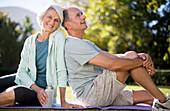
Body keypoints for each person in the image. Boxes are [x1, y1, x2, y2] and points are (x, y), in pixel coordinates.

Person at [62, 6, 170, 110]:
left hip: (100, 93)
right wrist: (140, 61)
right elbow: (113, 64)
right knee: (131, 56)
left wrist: (141, 56)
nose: (83, 17)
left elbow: (113, 57)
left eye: (82, 14)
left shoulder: (85, 43)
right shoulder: (72, 43)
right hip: (92, 94)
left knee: (150, 94)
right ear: (68, 25)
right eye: (78, 15)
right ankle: (163, 103)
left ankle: (162, 102)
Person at [0, 4, 82, 108]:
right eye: (49, 17)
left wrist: (63, 102)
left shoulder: (58, 37)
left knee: (18, 92)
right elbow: (21, 72)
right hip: (29, 83)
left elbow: (61, 70)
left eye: (56, 20)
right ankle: (7, 100)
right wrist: (36, 89)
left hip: (44, 93)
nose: (52, 22)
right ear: (42, 16)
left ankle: (8, 99)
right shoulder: (29, 41)